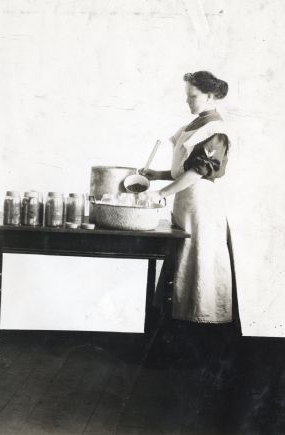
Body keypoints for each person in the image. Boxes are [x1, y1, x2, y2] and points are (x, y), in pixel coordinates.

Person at [140, 71, 240, 361]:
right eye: (187, 95)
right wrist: (156, 176)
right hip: (185, 204)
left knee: (200, 268)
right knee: (182, 266)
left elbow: (198, 171)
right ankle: (177, 342)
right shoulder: (193, 125)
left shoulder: (216, 130)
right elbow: (182, 169)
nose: (188, 101)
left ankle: (201, 347)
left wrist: (162, 193)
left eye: (192, 96)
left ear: (210, 96)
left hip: (201, 207)